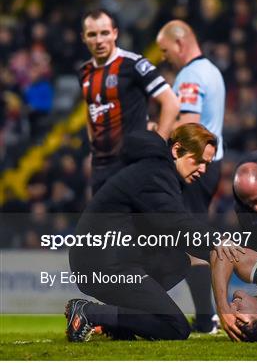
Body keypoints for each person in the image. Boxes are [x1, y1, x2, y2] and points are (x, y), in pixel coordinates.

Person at [65, 123, 243, 342]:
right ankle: (90, 313)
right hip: (105, 263)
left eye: (207, 164)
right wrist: (220, 241)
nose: (203, 170)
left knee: (180, 262)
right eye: (198, 161)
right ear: (177, 150)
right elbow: (176, 223)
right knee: (176, 328)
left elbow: (175, 232)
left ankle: (117, 321)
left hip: (107, 259)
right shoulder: (156, 173)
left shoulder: (156, 170)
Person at [156, 19, 226, 332]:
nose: (163, 56)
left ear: (180, 43)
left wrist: (156, 136)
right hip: (210, 165)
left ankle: (205, 317)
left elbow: (190, 128)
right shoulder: (211, 71)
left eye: (165, 49)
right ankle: (206, 315)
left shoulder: (190, 76)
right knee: (191, 238)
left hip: (195, 166)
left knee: (190, 241)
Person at [80, 8, 179, 195]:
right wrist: (94, 149)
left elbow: (171, 102)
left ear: (115, 33)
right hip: (101, 169)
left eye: (105, 33)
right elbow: (91, 109)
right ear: (84, 38)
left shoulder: (133, 64)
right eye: (92, 34)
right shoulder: (84, 72)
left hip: (131, 165)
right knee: (105, 224)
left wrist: (155, 147)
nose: (99, 40)